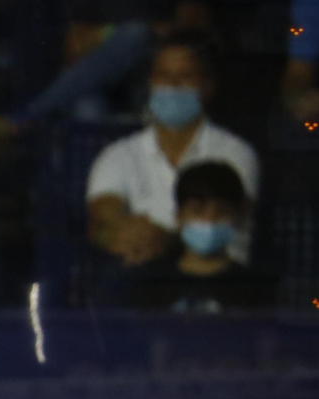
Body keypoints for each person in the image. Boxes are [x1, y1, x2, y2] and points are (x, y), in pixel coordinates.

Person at [0, 0, 208, 161]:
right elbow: (73, 52)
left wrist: (138, 33)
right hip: (105, 83)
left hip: (157, 81)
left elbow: (193, 25)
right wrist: (112, 36)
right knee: (87, 105)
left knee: (136, 34)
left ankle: (18, 123)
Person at [85, 32, 258, 269]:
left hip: (222, 285)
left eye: (185, 76)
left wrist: (163, 241)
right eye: (163, 76)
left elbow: (222, 222)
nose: (173, 85)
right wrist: (118, 236)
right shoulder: (117, 156)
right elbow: (101, 221)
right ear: (150, 84)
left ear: (207, 86)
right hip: (143, 284)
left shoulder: (236, 153)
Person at [127, 161, 270, 311]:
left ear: (237, 217)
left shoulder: (254, 289)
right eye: (197, 211)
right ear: (179, 217)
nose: (209, 221)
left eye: (222, 211)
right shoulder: (152, 286)